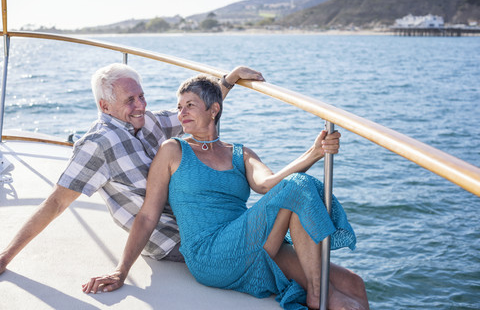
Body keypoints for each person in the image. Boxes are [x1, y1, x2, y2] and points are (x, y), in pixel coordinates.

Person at [83, 75, 369, 310]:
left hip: (250, 242)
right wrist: (122, 271)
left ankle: (318, 292)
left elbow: (268, 184)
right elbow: (147, 215)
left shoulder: (240, 154)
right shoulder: (173, 150)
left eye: (190, 105)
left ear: (214, 110)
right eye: (179, 106)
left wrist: (314, 153)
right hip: (209, 254)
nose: (181, 113)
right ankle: (317, 295)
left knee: (353, 283)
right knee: (298, 187)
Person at [0, 63, 265, 273]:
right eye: (130, 100)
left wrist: (229, 80)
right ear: (104, 106)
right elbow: (56, 203)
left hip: (206, 222)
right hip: (177, 241)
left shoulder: (147, 121)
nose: (140, 105)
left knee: (280, 232)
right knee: (274, 241)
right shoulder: (99, 144)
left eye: (142, 96)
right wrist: (5, 257)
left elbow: (198, 111)